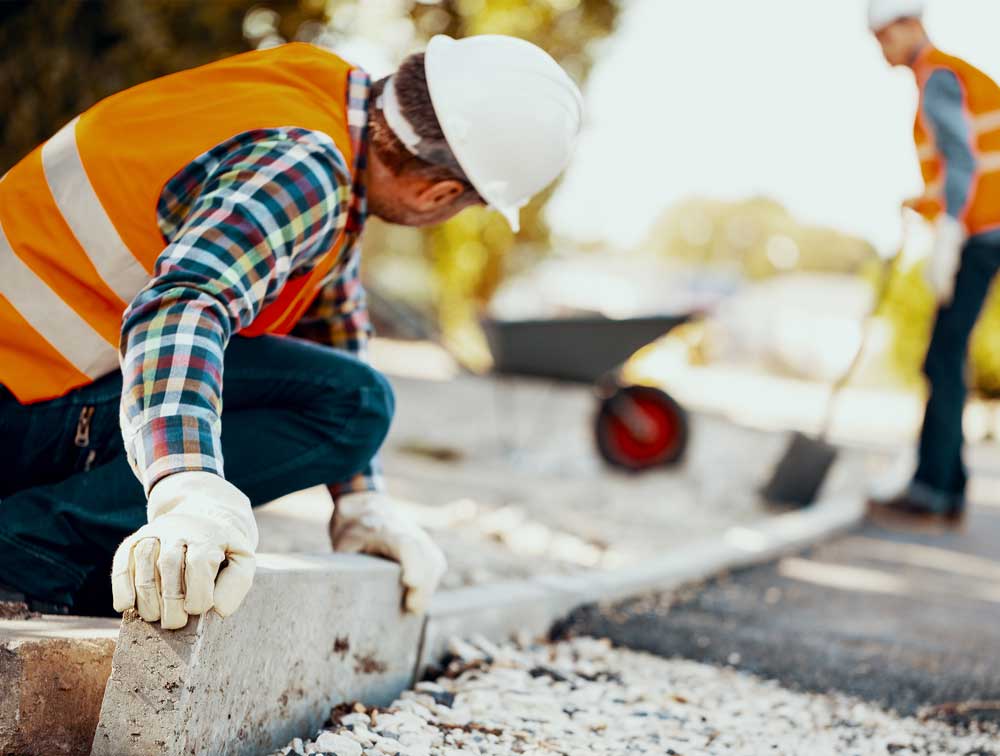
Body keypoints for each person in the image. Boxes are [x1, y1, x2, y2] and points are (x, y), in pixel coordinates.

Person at [0, 35, 583, 627]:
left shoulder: (316, 96)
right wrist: (187, 487)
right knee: (356, 404)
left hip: (28, 381)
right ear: (440, 193)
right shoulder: (306, 167)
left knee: (351, 396)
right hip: (16, 400)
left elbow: (333, 323)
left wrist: (361, 498)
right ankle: (28, 551)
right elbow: (182, 307)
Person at [867, 0, 1000, 521]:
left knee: (943, 356)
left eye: (885, 37)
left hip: (983, 232)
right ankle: (947, 489)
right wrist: (924, 203)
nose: (883, 49)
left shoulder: (938, 76)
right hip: (983, 225)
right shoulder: (949, 74)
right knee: (947, 353)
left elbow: (965, 160)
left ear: (910, 24)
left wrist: (947, 229)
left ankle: (932, 492)